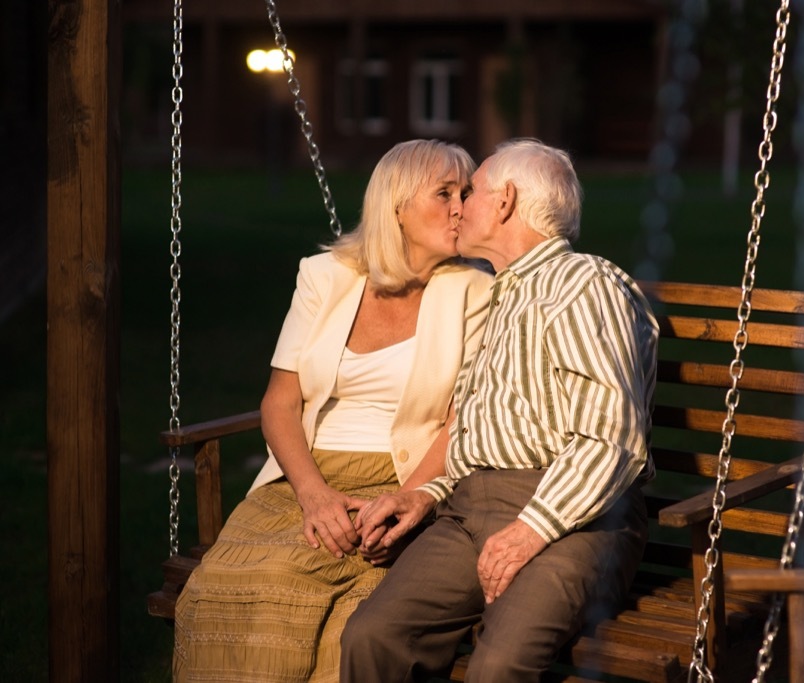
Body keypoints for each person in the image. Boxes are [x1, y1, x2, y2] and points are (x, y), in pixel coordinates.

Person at [173, 139, 493, 682]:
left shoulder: (475, 289)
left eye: (466, 192)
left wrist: (407, 497)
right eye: (445, 193)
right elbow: (280, 401)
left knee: (353, 619)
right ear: (396, 206)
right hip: (305, 476)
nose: (462, 206)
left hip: (401, 478)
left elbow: (460, 421)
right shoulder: (325, 276)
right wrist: (313, 495)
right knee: (233, 584)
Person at [342, 138, 659, 682]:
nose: (458, 205)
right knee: (372, 637)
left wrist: (530, 528)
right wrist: (426, 493)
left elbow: (610, 439)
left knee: (499, 666)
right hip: (469, 513)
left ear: (506, 200)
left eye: (470, 191)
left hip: (574, 517)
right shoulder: (505, 294)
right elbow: (483, 435)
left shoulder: (583, 285)